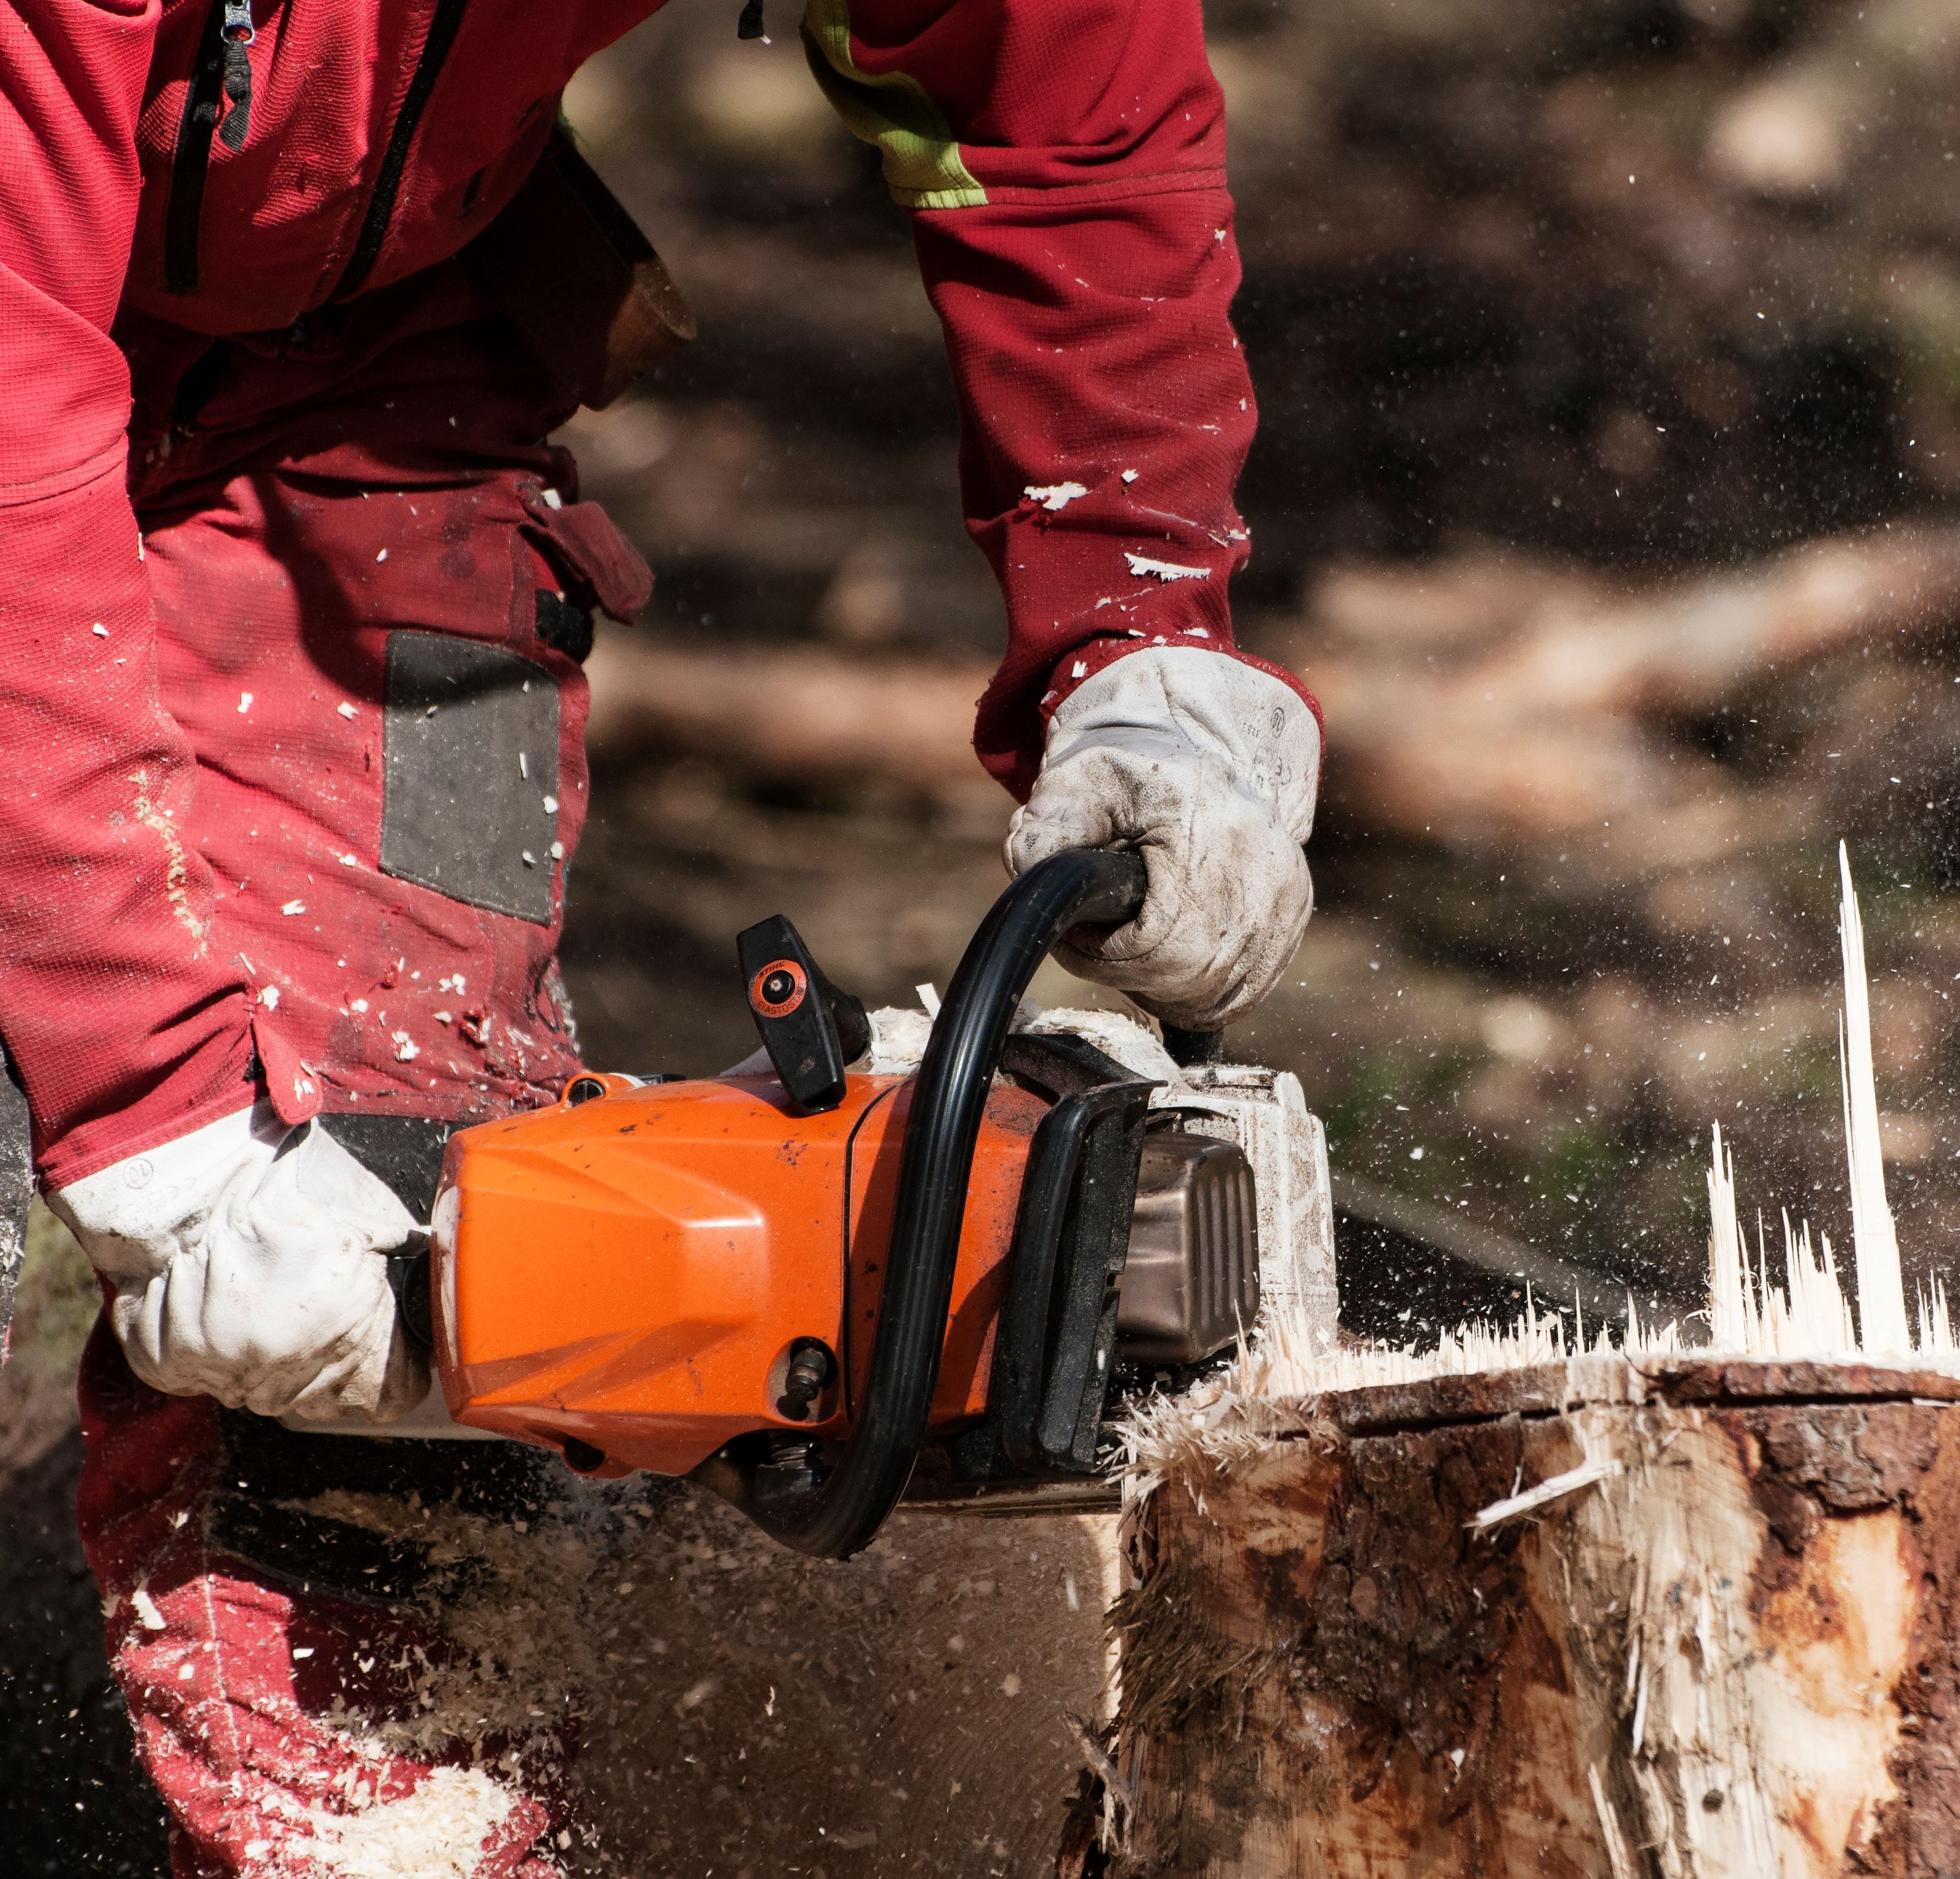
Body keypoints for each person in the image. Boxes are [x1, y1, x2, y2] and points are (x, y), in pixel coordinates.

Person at [1, 0, 1317, 1866]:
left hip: (358, 386)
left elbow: (1051, 101)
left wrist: (1141, 614)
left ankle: (408, 1815)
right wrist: (148, 1104)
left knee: (419, 1208)